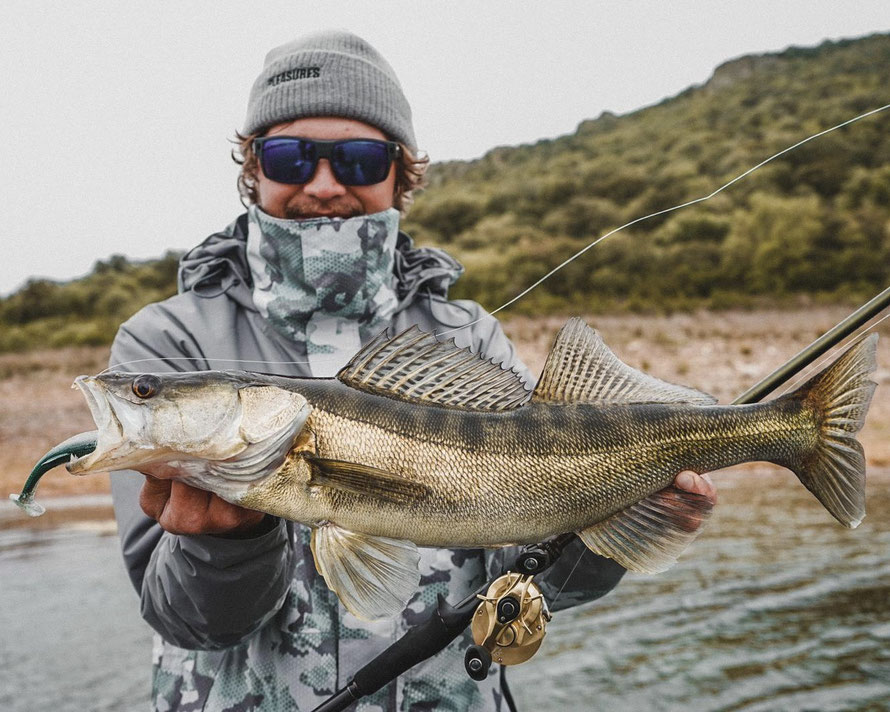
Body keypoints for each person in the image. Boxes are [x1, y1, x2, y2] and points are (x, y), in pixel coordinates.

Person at [110, 30, 717, 711]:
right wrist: (228, 544)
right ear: (253, 169)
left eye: (361, 160)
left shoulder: (470, 337)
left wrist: (613, 527)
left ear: (402, 173)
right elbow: (186, 621)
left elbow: (532, 578)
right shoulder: (166, 341)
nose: (323, 184)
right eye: (289, 156)